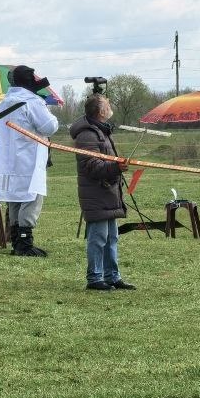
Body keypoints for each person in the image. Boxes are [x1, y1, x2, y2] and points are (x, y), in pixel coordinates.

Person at [0, 65, 59, 257]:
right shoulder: (32, 101)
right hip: (29, 157)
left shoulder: (5, 102)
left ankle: (16, 241)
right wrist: (46, 108)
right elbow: (49, 127)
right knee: (31, 198)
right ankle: (24, 242)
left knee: (15, 198)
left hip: (9, 158)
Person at [70, 95, 134, 291]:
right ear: (100, 111)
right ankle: (95, 278)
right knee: (98, 238)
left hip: (109, 192)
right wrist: (116, 168)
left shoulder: (102, 131)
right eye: (107, 105)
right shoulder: (87, 135)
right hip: (96, 193)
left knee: (112, 237)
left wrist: (117, 166)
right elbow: (91, 166)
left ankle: (112, 276)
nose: (110, 107)